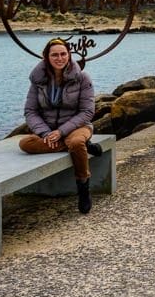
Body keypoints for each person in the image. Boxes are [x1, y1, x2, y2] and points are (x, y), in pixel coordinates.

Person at [18, 38, 102, 213]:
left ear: (69, 55)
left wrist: (61, 131)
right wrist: (45, 133)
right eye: (54, 54)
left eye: (63, 54)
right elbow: (30, 111)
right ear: (46, 57)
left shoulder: (82, 78)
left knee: (76, 142)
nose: (59, 58)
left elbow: (87, 112)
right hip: (49, 130)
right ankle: (83, 147)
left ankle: (83, 186)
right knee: (25, 144)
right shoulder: (38, 80)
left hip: (77, 126)